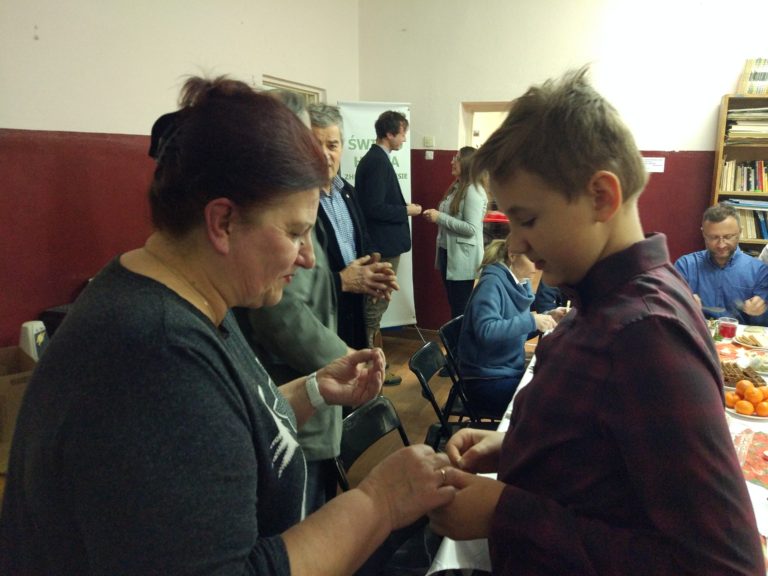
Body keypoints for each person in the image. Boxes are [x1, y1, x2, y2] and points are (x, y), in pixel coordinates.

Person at [0, 76, 455, 576]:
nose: (308, 258)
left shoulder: (196, 298)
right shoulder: (154, 356)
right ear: (222, 222)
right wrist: (380, 502)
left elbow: (223, 427)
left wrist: (312, 391)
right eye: (295, 232)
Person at [428, 68, 763, 575]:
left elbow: (723, 565)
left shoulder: (646, 334)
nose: (516, 243)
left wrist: (505, 513)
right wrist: (521, 445)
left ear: (602, 197)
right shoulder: (602, 299)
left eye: (527, 219)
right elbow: (607, 450)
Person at [237, 100, 397, 512]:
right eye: (310, 144)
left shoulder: (341, 192)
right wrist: (380, 509)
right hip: (299, 412)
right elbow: (282, 317)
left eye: (332, 144)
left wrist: (366, 275)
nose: (321, 155)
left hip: (314, 390)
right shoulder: (169, 330)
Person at [355, 110, 422, 385]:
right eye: (403, 133)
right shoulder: (376, 162)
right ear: (390, 133)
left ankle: (374, 364)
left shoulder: (377, 159)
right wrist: (406, 210)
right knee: (374, 308)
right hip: (381, 247)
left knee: (376, 306)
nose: (404, 139)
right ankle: (370, 370)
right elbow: (374, 208)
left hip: (382, 245)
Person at [457, 237, 557, 416]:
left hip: (505, 371)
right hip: (485, 380)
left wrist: (548, 317)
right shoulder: (491, 284)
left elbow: (513, 332)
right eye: (532, 259)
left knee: (552, 387)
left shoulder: (518, 283)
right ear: (512, 255)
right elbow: (486, 331)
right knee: (547, 403)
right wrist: (532, 321)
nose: (537, 265)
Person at [675, 203, 768, 326]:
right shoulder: (685, 266)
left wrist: (760, 311)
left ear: (740, 232)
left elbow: (763, 326)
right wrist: (681, 304)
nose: (721, 245)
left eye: (728, 237)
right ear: (703, 233)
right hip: (697, 332)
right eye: (713, 237)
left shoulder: (759, 271)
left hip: (741, 336)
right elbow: (668, 309)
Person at [422, 146, 488, 319]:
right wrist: (437, 217)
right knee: (455, 307)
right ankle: (458, 337)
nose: (452, 162)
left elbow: (471, 229)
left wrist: (439, 217)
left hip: (462, 259)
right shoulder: (457, 186)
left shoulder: (474, 190)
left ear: (467, 163)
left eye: (456, 158)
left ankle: (462, 337)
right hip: (448, 255)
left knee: (460, 310)